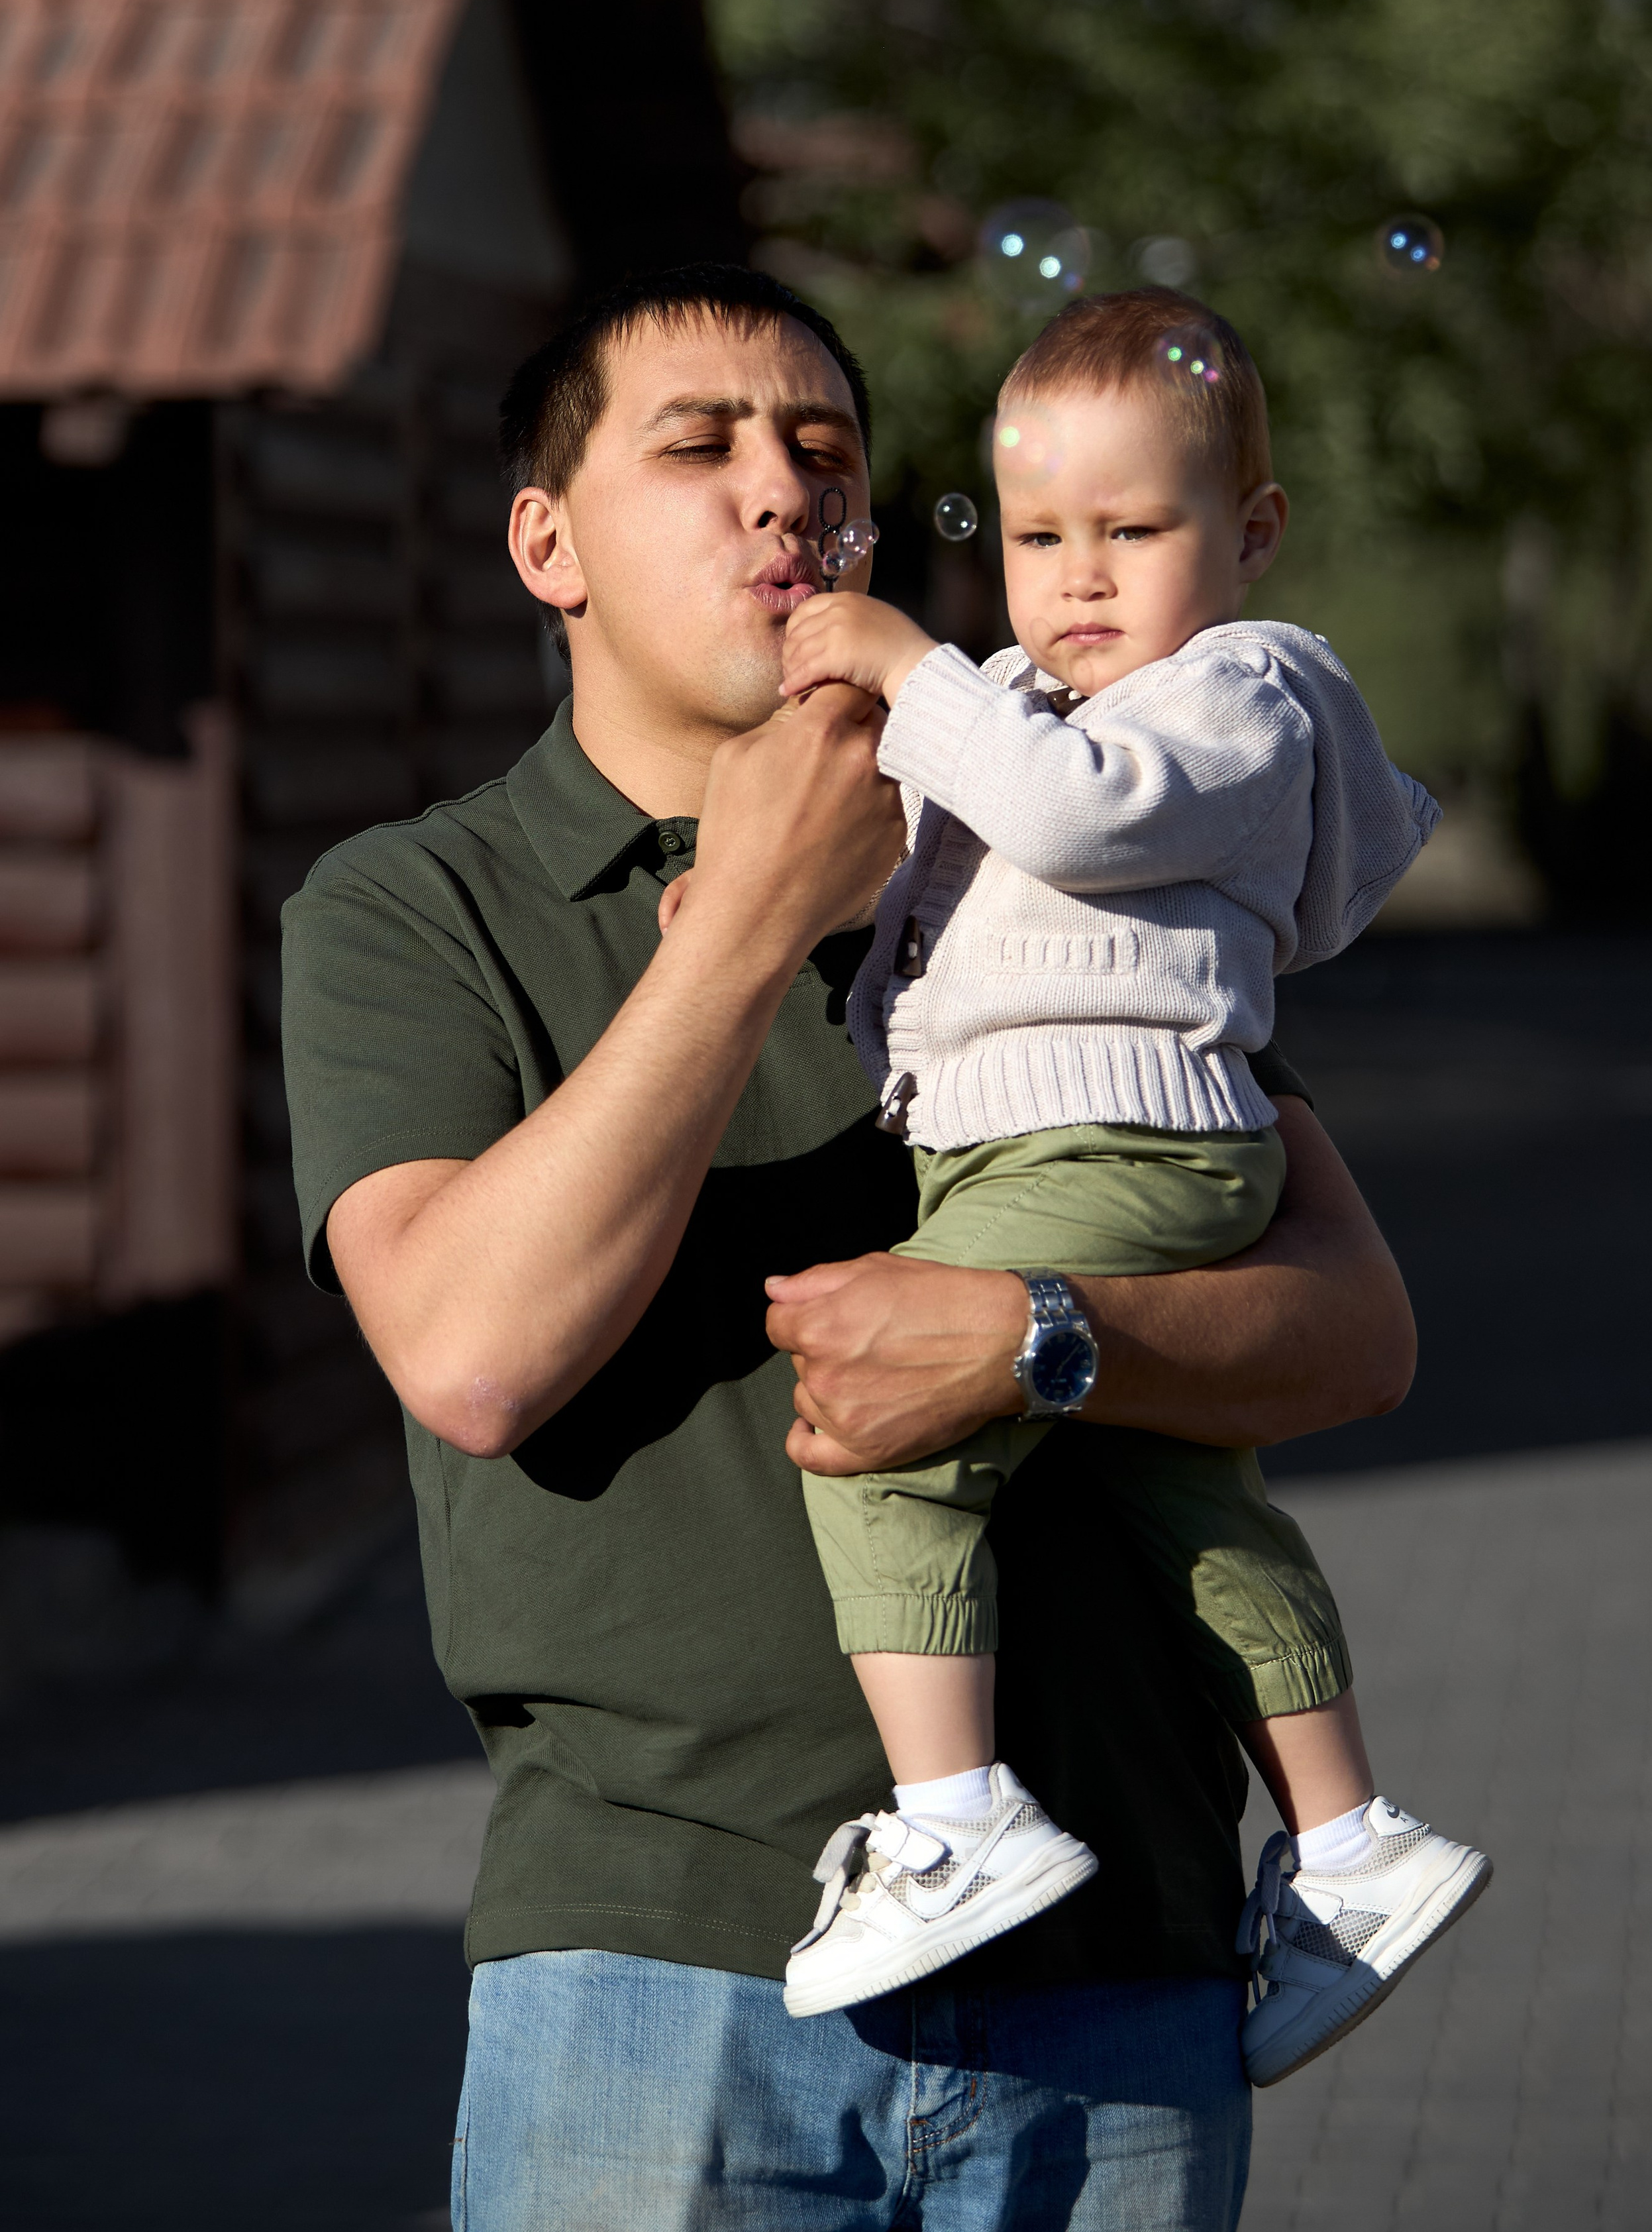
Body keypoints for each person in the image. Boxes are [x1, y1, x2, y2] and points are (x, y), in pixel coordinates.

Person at [280, 264, 1418, 2232]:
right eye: (700, 446)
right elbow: (471, 1352)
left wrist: (1040, 1335)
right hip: (665, 1976)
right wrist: (749, 921)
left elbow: (1354, 1327)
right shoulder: (415, 905)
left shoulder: (1045, 824)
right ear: (547, 542)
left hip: (1119, 1976)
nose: (783, 490)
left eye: (824, 448)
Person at [756, 289, 1491, 2080]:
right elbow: (949, 901)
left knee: (880, 1441)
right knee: (1195, 1511)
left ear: (1250, 534)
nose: (1078, 579)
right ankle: (1349, 1843)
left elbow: (1076, 818)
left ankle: (954, 1817)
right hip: (1063, 1139)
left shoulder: (1240, 690)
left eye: (1135, 530)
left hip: (1111, 1138)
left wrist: (906, 661)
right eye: (1037, 537)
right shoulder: (1034, 701)